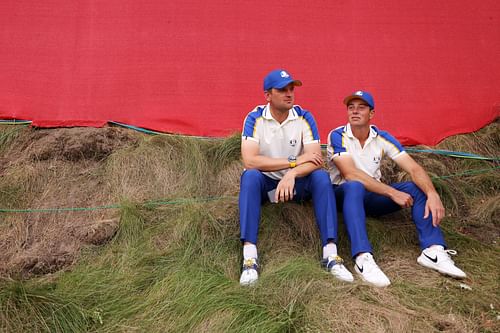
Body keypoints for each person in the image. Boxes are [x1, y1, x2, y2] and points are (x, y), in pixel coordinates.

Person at [327, 90, 467, 287]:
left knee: (415, 188)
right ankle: (362, 257)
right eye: (351, 108)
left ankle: (433, 250)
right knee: (355, 186)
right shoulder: (338, 135)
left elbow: (414, 168)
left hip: (372, 197)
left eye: (361, 107)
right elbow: (350, 173)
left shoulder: (382, 137)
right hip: (343, 195)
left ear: (371, 114)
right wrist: (392, 192)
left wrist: (432, 193)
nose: (355, 112)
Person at [238, 69, 353, 285]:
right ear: (268, 95)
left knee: (320, 177)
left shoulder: (304, 116)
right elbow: (250, 161)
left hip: (296, 183)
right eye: (282, 89)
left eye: (292, 88)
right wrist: (293, 162)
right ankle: (250, 258)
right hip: (266, 183)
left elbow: (315, 158)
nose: (289, 93)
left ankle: (331, 255)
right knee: (250, 177)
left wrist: (292, 173)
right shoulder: (254, 117)